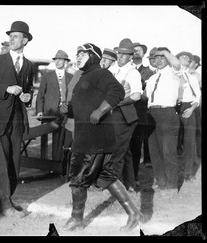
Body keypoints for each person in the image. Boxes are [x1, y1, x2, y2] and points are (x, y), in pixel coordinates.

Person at [60, 43, 142, 232]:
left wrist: (101, 109)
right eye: (77, 53)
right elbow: (80, 108)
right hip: (92, 136)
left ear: (93, 56)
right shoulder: (83, 77)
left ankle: (76, 219)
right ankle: (134, 214)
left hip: (92, 138)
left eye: (82, 54)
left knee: (79, 177)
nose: (78, 57)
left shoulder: (101, 73)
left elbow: (117, 91)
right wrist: (68, 110)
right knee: (106, 177)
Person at [0, 21, 34, 217]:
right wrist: (6, 89)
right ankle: (5, 204)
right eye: (10, 35)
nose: (12, 38)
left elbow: (28, 91)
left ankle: (7, 198)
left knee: (14, 162)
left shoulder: (29, 65)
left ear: (25, 40)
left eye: (17, 36)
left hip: (18, 120)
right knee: (1, 162)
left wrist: (28, 98)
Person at [145, 47, 182, 194]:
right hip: (152, 113)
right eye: (156, 57)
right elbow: (147, 97)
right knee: (155, 152)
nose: (158, 60)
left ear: (168, 58)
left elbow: (177, 64)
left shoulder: (174, 73)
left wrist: (164, 50)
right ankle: (161, 182)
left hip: (167, 113)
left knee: (168, 151)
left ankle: (172, 186)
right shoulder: (152, 78)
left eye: (162, 57)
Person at [111, 38, 143, 192]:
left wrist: (118, 102)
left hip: (125, 114)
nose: (120, 57)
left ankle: (116, 189)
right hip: (114, 114)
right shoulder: (114, 70)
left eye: (124, 55)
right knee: (125, 151)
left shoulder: (133, 72)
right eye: (119, 53)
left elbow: (136, 95)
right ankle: (129, 185)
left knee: (117, 152)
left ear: (131, 56)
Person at [36, 50, 73, 161]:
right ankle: (48, 162)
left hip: (65, 112)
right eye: (56, 59)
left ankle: (60, 162)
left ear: (65, 62)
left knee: (63, 137)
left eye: (60, 59)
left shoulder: (70, 77)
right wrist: (39, 110)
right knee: (49, 136)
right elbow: (40, 95)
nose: (57, 62)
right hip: (50, 112)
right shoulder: (47, 76)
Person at [130, 42, 154, 189]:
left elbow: (146, 95)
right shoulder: (125, 69)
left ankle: (133, 177)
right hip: (123, 114)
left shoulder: (148, 72)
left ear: (143, 54)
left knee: (135, 148)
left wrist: (136, 93)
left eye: (138, 51)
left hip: (139, 115)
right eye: (132, 50)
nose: (135, 53)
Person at [176, 51, 201, 182]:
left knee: (189, 141)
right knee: (171, 142)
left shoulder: (192, 77)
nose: (186, 58)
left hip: (188, 108)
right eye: (183, 56)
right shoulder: (171, 75)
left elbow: (197, 96)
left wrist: (191, 109)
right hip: (172, 107)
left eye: (188, 58)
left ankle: (188, 172)